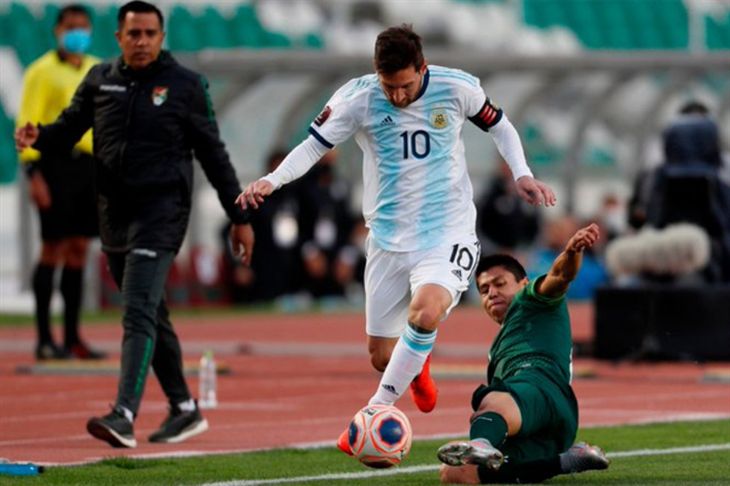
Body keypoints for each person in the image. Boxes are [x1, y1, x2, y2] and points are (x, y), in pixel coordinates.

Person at [238, 24, 555, 454]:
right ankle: (418, 366)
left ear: (422, 68)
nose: (398, 96)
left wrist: (522, 174)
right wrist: (271, 180)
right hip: (387, 239)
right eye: (389, 86)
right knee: (382, 357)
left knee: (425, 312)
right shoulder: (357, 99)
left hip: (447, 233)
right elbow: (313, 146)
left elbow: (500, 126)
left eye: (405, 85)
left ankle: (373, 410)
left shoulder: (456, 88)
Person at [15, 0, 254, 448]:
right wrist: (39, 137)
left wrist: (239, 216)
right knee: (150, 311)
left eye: (149, 34)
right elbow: (67, 129)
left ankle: (123, 414)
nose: (141, 41)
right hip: (113, 214)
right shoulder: (100, 79)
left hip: (162, 213)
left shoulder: (186, 85)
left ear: (161, 38)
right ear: (119, 38)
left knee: (137, 309)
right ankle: (184, 408)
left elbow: (214, 155)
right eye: (133, 34)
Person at [436, 223, 609, 483]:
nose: (492, 293)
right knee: (456, 473)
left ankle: (481, 442)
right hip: (549, 422)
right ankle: (567, 460)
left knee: (492, 400)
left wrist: (572, 252)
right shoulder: (499, 346)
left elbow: (560, 277)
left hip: (540, 386)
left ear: (523, 283)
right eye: (484, 290)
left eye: (499, 284)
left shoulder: (530, 299)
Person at [17, 4, 105, 361]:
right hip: (55, 165)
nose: (77, 33)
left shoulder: (97, 69)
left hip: (89, 166)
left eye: (83, 27)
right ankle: (43, 337)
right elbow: (28, 122)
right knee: (52, 247)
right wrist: (33, 174)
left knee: (79, 248)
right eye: (70, 27)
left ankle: (71, 337)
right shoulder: (41, 71)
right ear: (57, 30)